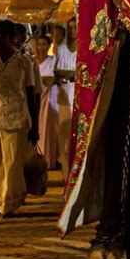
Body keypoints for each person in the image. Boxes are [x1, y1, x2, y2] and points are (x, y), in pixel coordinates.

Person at [0, 20, 38, 217]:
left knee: (12, 162)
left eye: (1, 37)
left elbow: (31, 93)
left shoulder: (24, 62)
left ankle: (7, 203)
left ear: (10, 38)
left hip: (17, 117)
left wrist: (35, 126)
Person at [54, 17, 76, 180]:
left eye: (76, 28)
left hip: (78, 93)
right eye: (71, 28)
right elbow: (57, 72)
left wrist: (71, 74)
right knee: (64, 134)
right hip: (64, 93)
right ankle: (66, 173)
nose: (73, 31)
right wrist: (71, 74)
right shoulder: (61, 49)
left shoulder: (84, 46)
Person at [35, 34, 59, 169]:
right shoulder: (32, 61)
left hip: (49, 99)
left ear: (49, 46)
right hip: (36, 99)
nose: (41, 47)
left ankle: (49, 159)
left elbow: (55, 78)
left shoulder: (52, 61)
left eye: (44, 44)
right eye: (39, 44)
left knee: (47, 128)